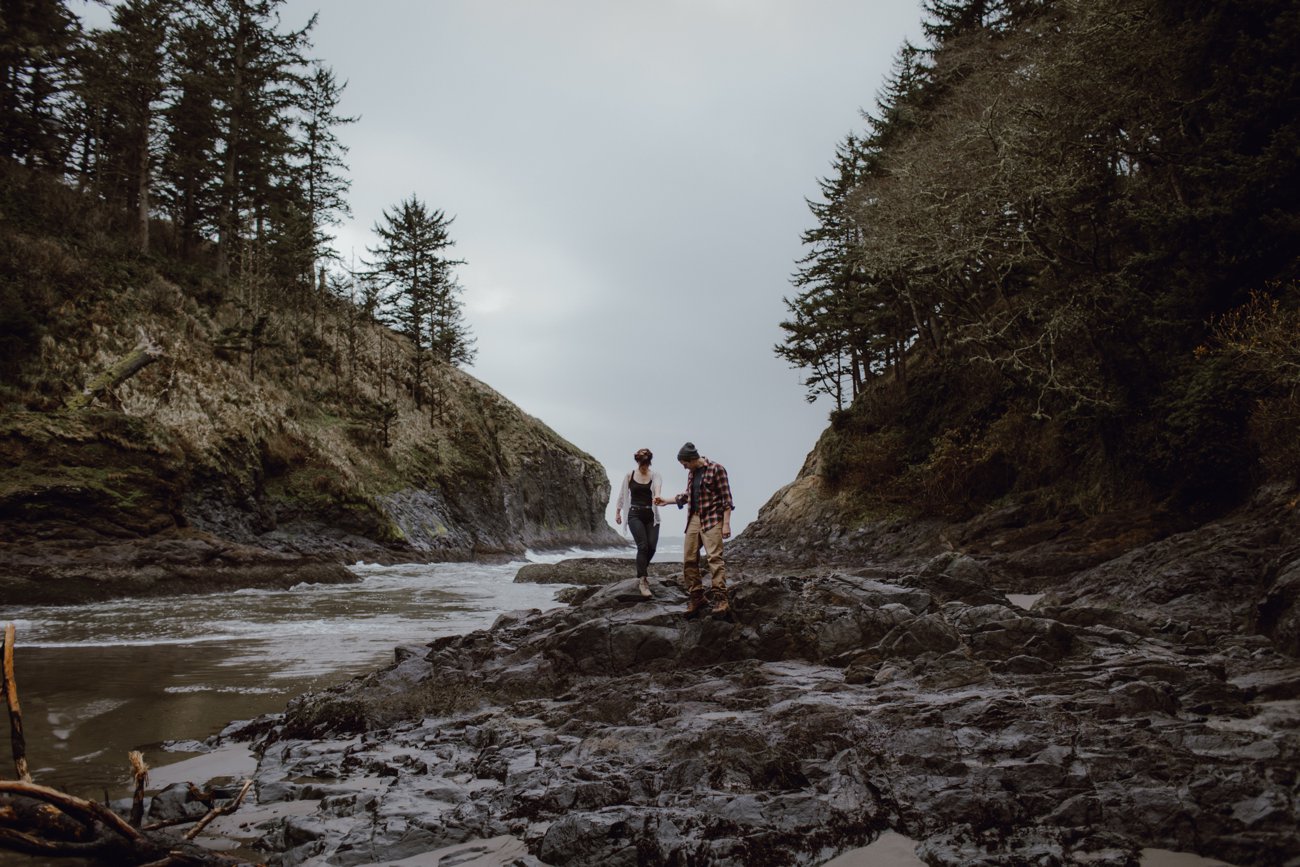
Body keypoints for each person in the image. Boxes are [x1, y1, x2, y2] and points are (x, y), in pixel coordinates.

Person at [655, 442, 733, 619]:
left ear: (691, 459)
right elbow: (688, 495)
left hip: (713, 518)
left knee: (714, 558)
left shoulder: (717, 469)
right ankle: (697, 597)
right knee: (689, 559)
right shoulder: (692, 473)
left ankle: (721, 598)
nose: (684, 468)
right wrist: (667, 501)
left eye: (684, 464)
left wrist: (726, 524)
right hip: (694, 518)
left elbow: (726, 499)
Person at [612, 447, 662, 598]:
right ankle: (643, 580)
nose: (644, 467)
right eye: (642, 463)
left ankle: (641, 571)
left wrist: (657, 497)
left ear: (649, 462)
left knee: (652, 547)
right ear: (638, 462)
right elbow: (622, 494)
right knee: (643, 546)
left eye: (646, 464)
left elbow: (658, 489)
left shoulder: (655, 475)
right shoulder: (630, 475)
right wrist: (618, 511)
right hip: (634, 514)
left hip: (652, 515)